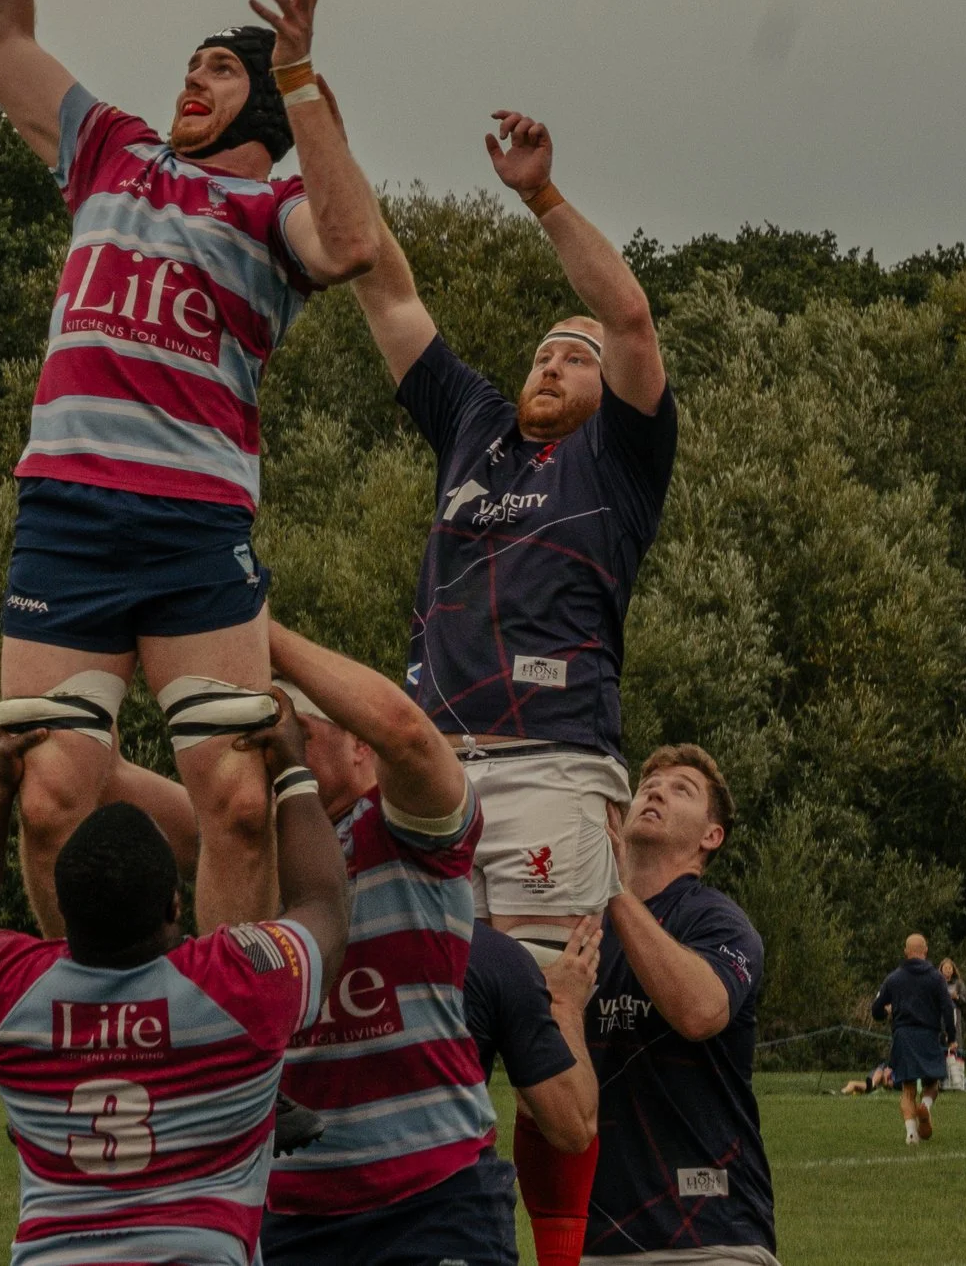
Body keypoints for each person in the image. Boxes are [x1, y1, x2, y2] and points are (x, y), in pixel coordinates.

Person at [0, 0, 385, 939]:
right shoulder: (114, 152)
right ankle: (91, 1015)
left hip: (194, 525)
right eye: (189, 65)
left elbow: (351, 243)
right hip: (71, 514)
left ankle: (230, 1045)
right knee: (47, 796)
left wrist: (299, 76)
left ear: (260, 103)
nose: (190, 80)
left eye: (216, 69)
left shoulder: (267, 213)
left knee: (236, 799)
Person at [344, 106, 675, 1251]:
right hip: (429, 764)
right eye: (542, 345)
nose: (551, 359)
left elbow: (629, 315)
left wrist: (539, 197)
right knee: (393, 1009)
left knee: (540, 1033)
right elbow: (385, 286)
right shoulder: (476, 428)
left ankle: (559, 1254)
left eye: (572, 354)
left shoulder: (621, 461)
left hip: (548, 764)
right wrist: (318, 134)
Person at [0, 715, 350, 1266]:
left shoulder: (11, 992)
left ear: (61, 909)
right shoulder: (238, 987)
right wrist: (294, 771)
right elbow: (324, 907)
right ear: (175, 904)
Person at [256, 628, 506, 1266]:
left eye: (299, 734)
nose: (277, 750)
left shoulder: (404, 824)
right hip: (291, 1211)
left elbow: (411, 732)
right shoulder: (256, 849)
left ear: (360, 743)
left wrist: (255, 628)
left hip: (434, 1197)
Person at [586, 744, 775, 1264]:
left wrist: (614, 888)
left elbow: (699, 1010)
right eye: (650, 784)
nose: (656, 790)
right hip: (599, 1235)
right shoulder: (582, 925)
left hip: (711, 1234)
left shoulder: (719, 922)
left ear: (710, 836)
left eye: (681, 789)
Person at [464, 922, 602, 1266]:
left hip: (322, 1223)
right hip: (448, 1224)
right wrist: (566, 1006)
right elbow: (573, 1126)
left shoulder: (315, 946)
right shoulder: (489, 956)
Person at [872, 934, 960, 1145]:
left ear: (905, 952)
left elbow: (875, 1010)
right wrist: (951, 1037)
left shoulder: (893, 978)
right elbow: (948, 1008)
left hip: (903, 1036)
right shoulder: (936, 978)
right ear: (926, 951)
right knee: (932, 1084)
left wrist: (886, 1013)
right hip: (929, 1035)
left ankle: (911, 1134)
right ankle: (926, 1107)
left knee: (908, 1090)